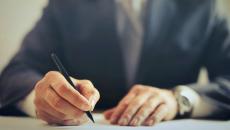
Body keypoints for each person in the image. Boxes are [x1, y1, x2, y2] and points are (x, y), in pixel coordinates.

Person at [0, 0, 230, 126]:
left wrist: (180, 100)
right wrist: (45, 99)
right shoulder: (66, 5)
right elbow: (14, 74)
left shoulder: (203, 6)